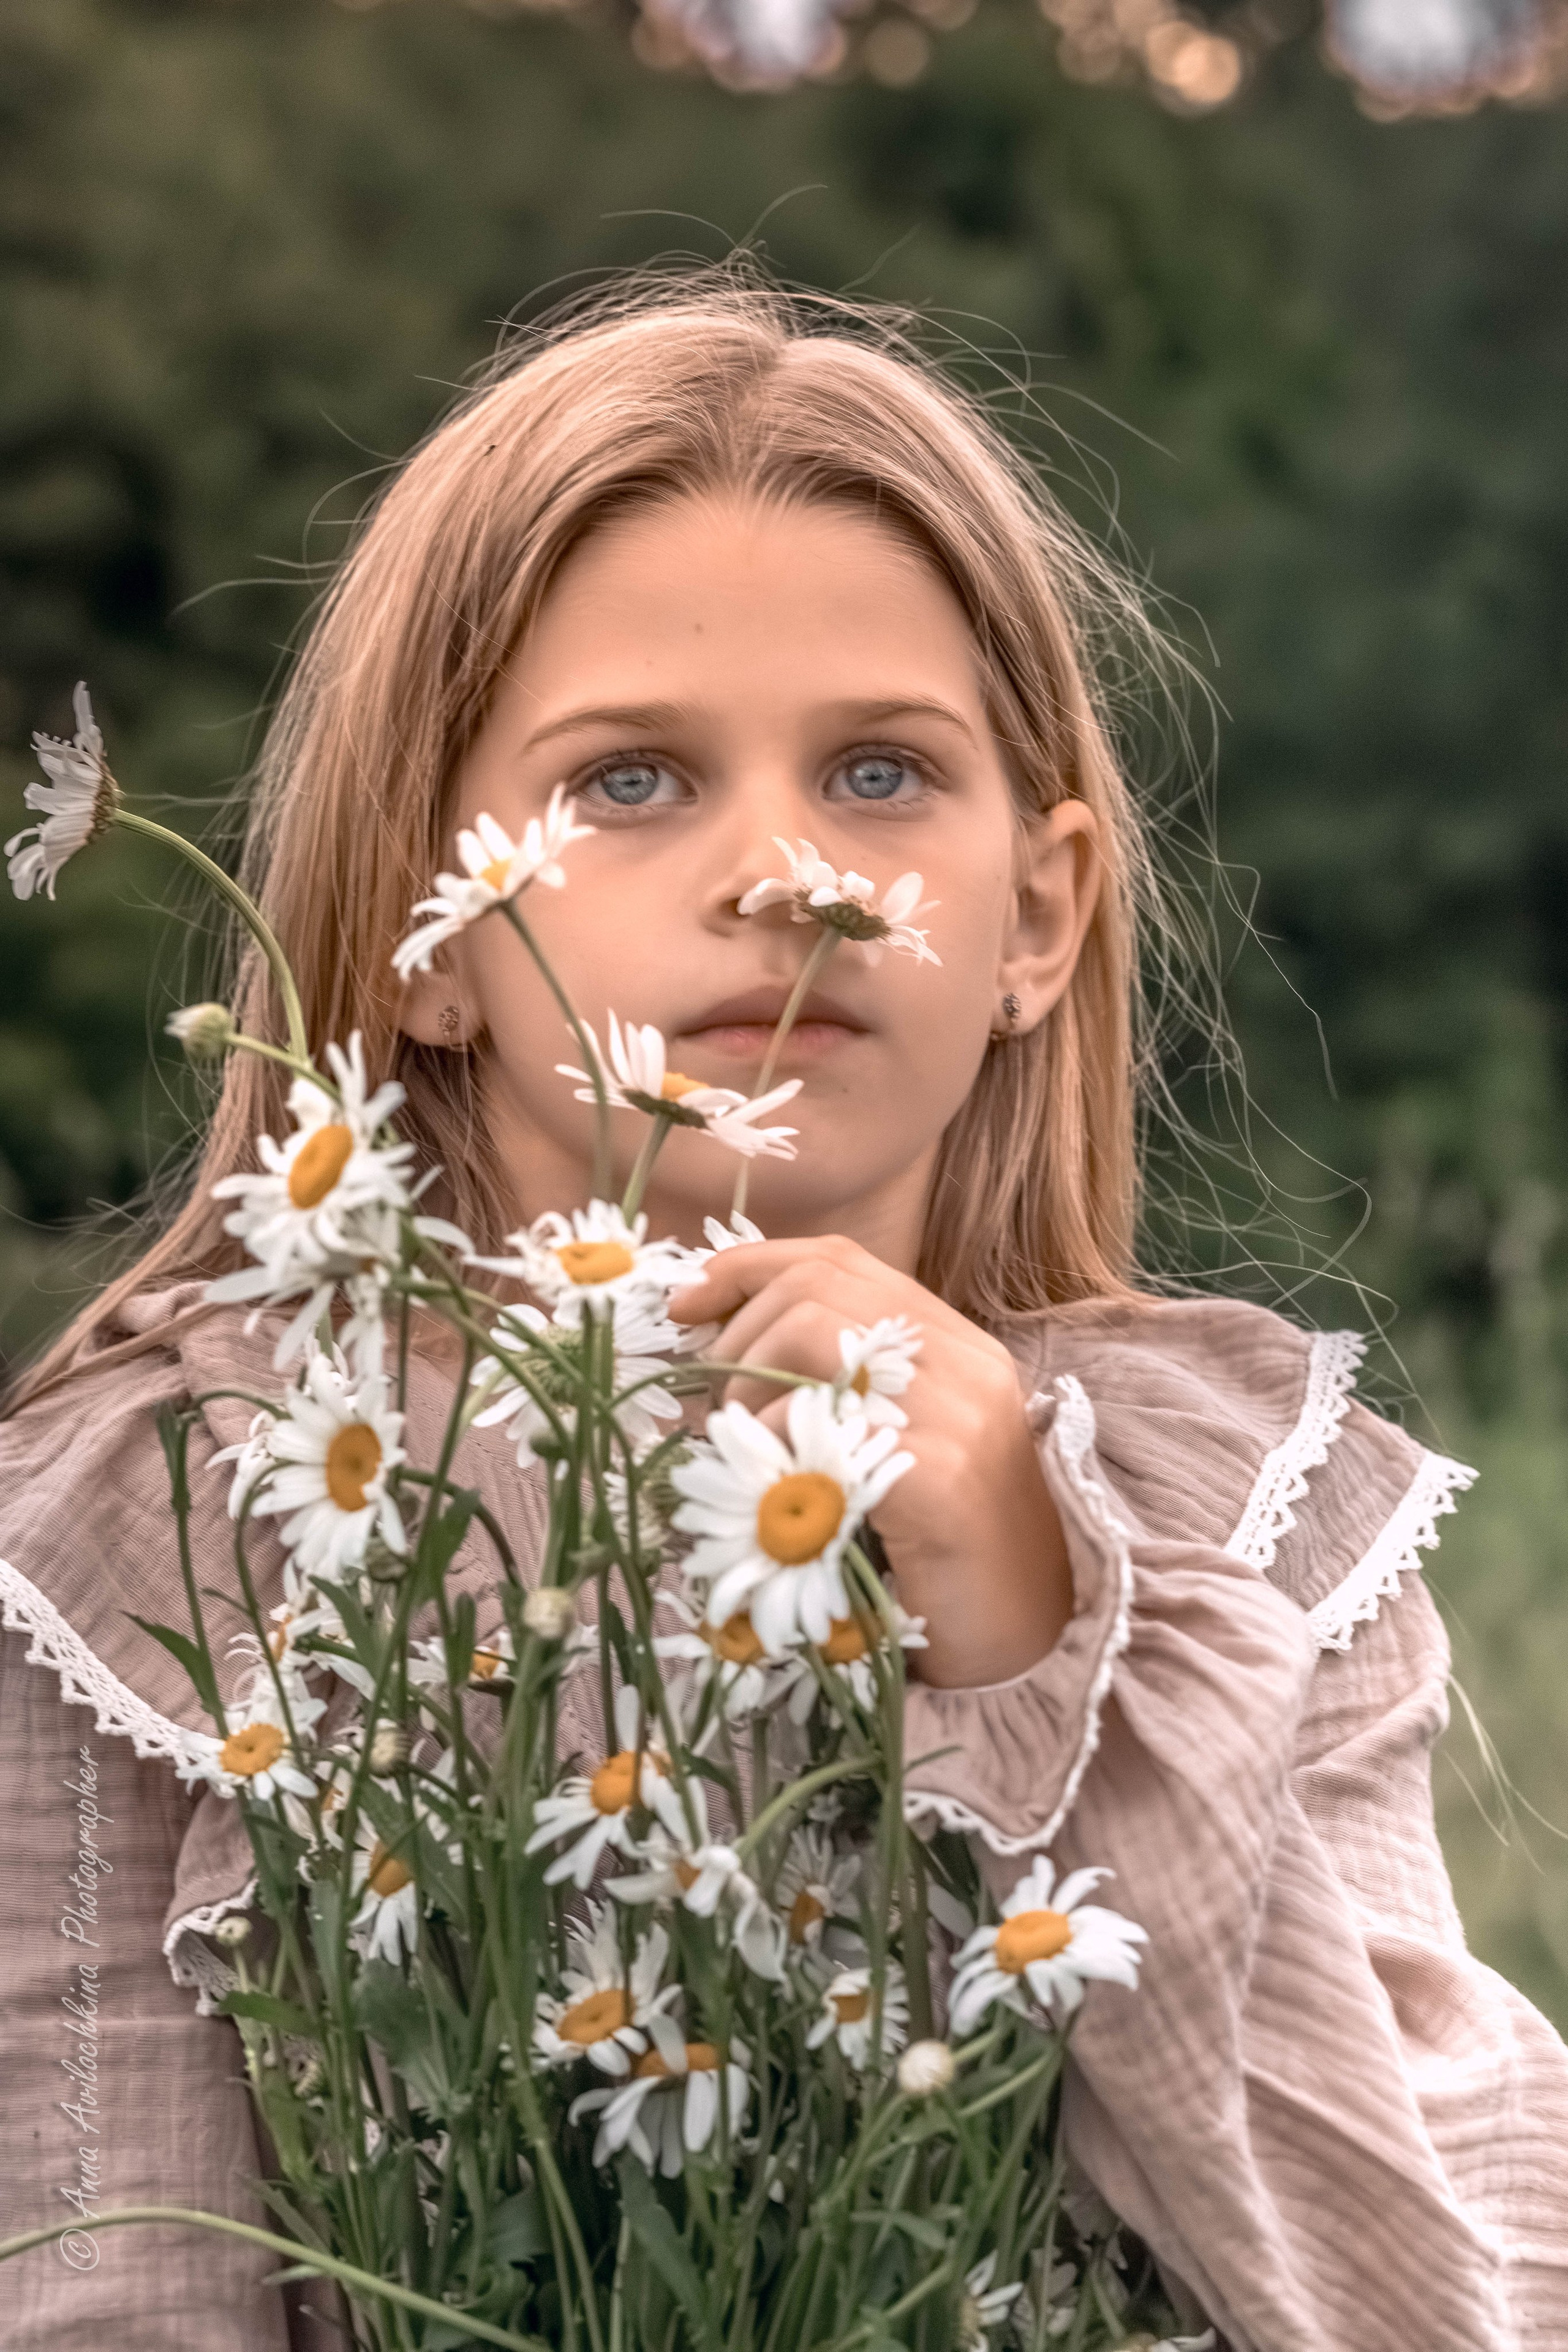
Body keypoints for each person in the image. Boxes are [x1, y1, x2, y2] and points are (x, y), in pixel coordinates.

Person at [1, 275, 1564, 2352]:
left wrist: (1045, 1633)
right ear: (419, 933)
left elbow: (1434, 2299)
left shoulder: (1229, 1522)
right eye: (632, 782)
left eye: (885, 775)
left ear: (1039, 913)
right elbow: (107, 2282)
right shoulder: (163, 1539)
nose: (784, 872)